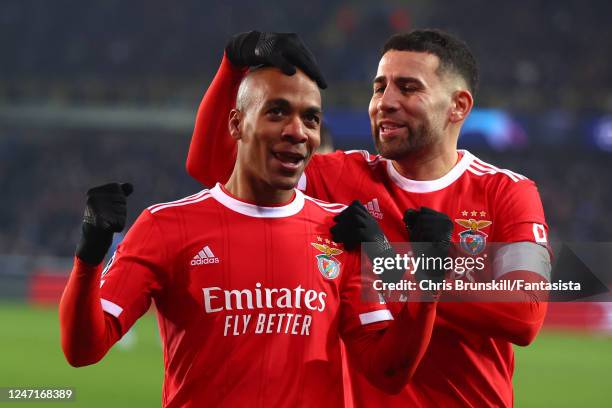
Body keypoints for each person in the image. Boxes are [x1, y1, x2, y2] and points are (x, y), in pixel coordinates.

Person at [185, 30, 552, 407]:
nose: (385, 102)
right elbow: (216, 166)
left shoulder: (508, 193)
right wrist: (234, 64)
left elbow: (524, 312)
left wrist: (389, 262)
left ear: (457, 106)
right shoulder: (340, 177)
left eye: (407, 88)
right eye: (380, 87)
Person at [59, 65, 439, 407]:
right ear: (236, 123)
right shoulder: (165, 226)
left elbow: (388, 373)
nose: (297, 131)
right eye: (277, 112)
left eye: (311, 118)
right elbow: (83, 349)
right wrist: (89, 254)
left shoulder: (341, 230)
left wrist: (426, 287)